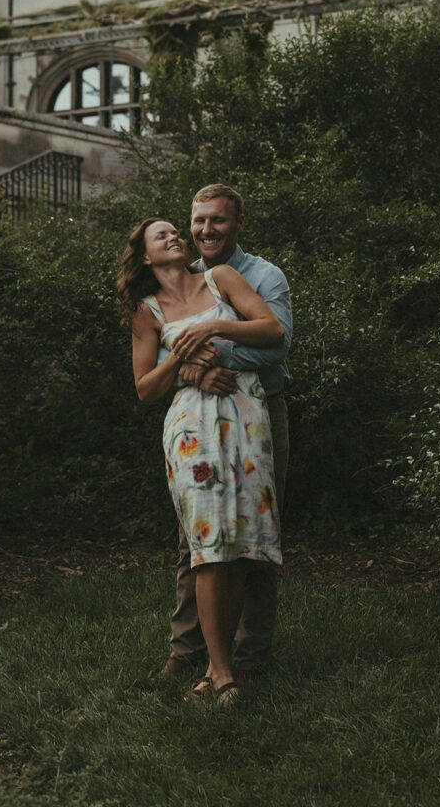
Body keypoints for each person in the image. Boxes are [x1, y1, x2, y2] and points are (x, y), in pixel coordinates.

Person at [116, 215, 284, 702]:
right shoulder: (146, 311)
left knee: (238, 546)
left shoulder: (221, 279)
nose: (174, 235)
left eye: (175, 230)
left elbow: (272, 330)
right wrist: (181, 362)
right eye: (160, 234)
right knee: (209, 546)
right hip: (192, 432)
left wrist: (210, 324)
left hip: (247, 418)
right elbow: (146, 389)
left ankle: (214, 669)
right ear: (146, 256)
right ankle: (222, 672)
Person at [163, 184, 292, 680]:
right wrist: (190, 372)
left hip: (260, 414)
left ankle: (250, 655)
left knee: (255, 532)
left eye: (217, 220)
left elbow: (276, 348)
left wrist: (214, 352)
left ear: (238, 223)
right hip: (197, 419)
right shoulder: (181, 280)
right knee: (192, 540)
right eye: (198, 221)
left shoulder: (263, 275)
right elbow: (157, 360)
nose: (205, 230)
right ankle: (186, 651)